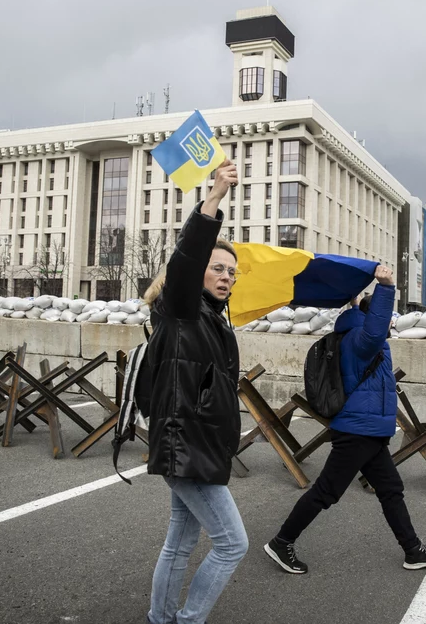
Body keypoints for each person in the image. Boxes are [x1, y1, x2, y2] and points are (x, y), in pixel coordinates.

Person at [263, 265, 426, 574]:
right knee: (326, 491)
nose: (389, 323)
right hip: (358, 432)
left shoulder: (351, 334)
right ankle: (281, 542)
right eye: (386, 316)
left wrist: (353, 301)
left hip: (368, 431)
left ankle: (413, 550)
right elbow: (376, 327)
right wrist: (386, 286)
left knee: (391, 489)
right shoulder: (364, 341)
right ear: (372, 316)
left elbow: (366, 320)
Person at [143, 159, 247, 624]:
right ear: (196, 272)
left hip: (196, 445)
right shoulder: (181, 309)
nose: (226, 276)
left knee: (180, 542)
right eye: (217, 268)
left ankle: (160, 620)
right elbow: (185, 260)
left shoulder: (209, 319)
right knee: (232, 543)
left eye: (232, 272)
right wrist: (213, 200)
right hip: (187, 445)